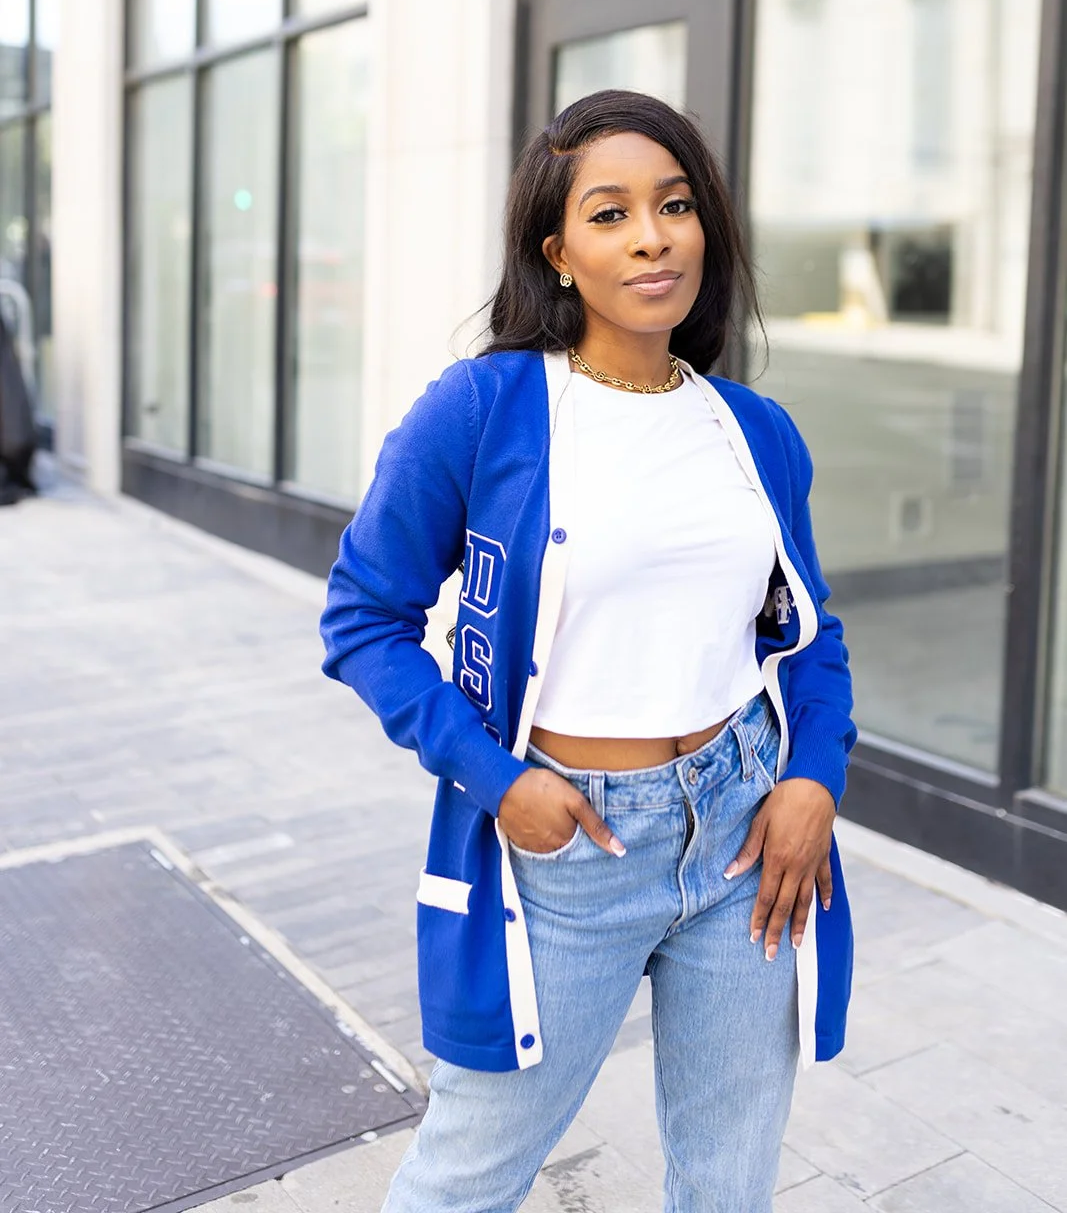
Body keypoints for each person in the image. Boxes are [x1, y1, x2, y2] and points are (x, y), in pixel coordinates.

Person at [320, 89, 856, 1213]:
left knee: (728, 1179)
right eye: (609, 215)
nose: (651, 236)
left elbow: (807, 633)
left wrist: (811, 776)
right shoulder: (484, 408)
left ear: (706, 226)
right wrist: (497, 780)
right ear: (556, 252)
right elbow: (362, 616)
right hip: (569, 846)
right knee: (464, 1179)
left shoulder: (752, 430)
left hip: (741, 838)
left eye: (672, 205)